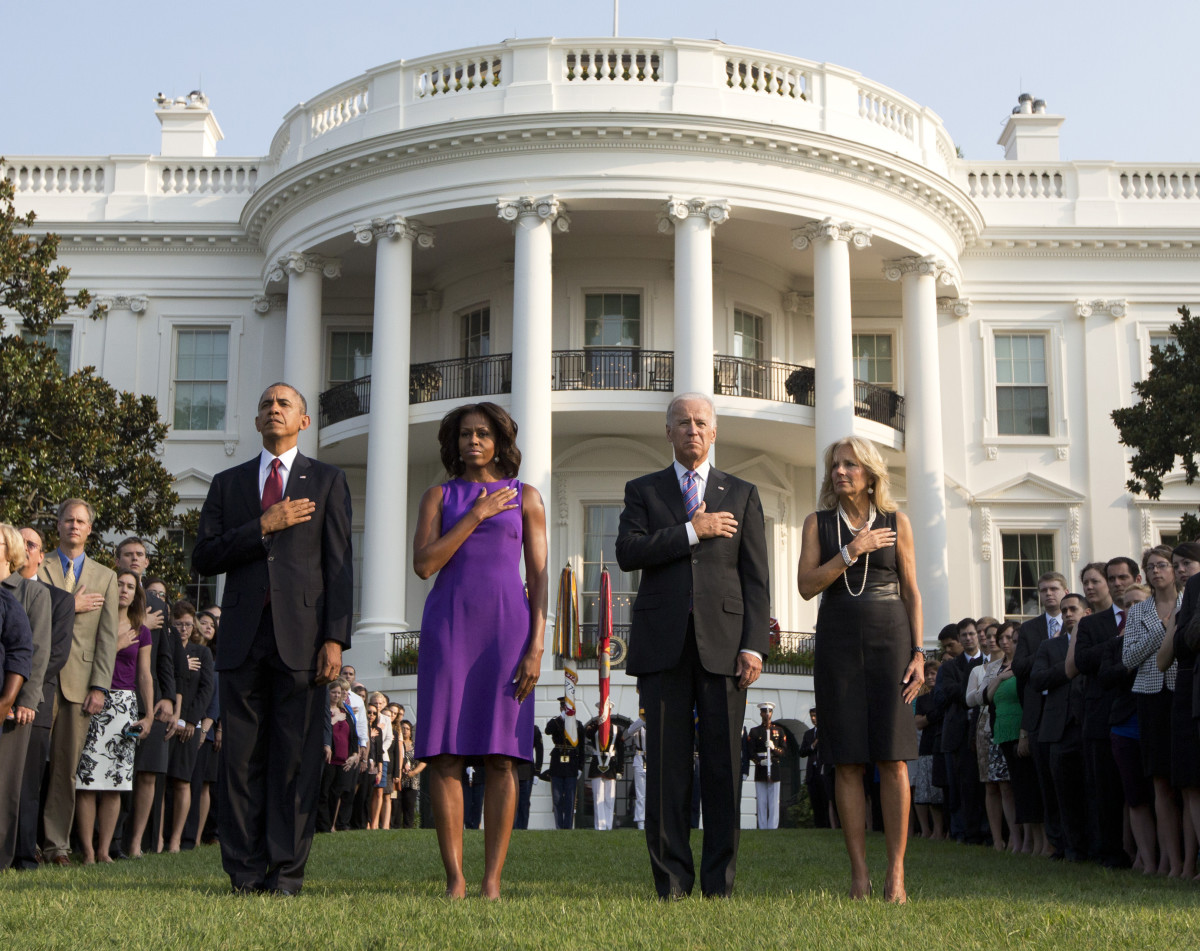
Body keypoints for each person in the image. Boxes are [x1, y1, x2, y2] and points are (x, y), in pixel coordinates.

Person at [192, 382, 353, 895]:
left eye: (284, 404)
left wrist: (335, 639)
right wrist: (262, 524)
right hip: (241, 639)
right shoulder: (228, 483)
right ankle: (243, 872)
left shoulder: (325, 480)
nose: (274, 409)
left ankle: (285, 873)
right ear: (257, 420)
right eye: (265, 404)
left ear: (303, 421)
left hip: (303, 643)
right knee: (238, 761)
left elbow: (339, 568)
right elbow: (204, 556)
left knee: (295, 761)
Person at [615, 393, 769, 900]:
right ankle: (673, 883)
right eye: (682, 423)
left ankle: (720, 884)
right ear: (668, 432)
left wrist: (754, 646)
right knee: (665, 770)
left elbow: (754, 580)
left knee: (724, 770)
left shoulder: (742, 494)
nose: (692, 430)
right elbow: (629, 553)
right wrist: (691, 530)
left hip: (725, 649)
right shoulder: (643, 490)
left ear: (715, 431)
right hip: (663, 647)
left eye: (701, 422)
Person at [412, 401, 547, 899]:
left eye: (484, 434)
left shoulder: (525, 496)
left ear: (499, 441)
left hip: (507, 632)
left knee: (502, 757)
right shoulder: (438, 496)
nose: (474, 441)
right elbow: (425, 565)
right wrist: (474, 515)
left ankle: (491, 881)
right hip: (449, 628)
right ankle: (455, 880)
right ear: (455, 442)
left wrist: (536, 646)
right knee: (444, 755)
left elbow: (537, 577)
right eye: (466, 434)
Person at [797, 435, 923, 903]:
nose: (840, 472)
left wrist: (919, 653)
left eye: (850, 465)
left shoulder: (897, 521)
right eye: (835, 465)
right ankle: (859, 874)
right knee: (846, 759)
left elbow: (911, 590)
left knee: (892, 758)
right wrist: (853, 550)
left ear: (871, 473)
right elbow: (807, 586)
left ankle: (896, 874)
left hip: (891, 639)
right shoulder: (818, 523)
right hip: (838, 642)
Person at [38, 498, 120, 866]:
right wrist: (71, 603)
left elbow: (107, 638)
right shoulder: (39, 566)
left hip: (80, 685)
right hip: (37, 680)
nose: (74, 525)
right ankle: (22, 840)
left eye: (80, 521)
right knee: (27, 764)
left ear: (89, 530)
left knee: (64, 770)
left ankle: (56, 846)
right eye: (68, 519)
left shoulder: (106, 576)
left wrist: (100, 687)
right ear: (57, 525)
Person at [73, 570, 154, 864]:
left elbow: (145, 675)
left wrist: (149, 715)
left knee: (115, 782)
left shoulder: (141, 629)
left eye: (130, 586)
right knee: (87, 779)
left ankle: (105, 850)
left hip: (124, 706)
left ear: (136, 594)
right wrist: (114, 646)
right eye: (119, 584)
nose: (123, 590)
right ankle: (88, 852)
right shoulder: (95, 620)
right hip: (93, 698)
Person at [11, 528, 73, 871]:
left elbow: (55, 656)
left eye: (30, 544)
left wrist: (18, 691)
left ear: (40, 555)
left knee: (27, 784)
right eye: (17, 542)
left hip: (34, 702)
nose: (24, 548)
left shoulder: (59, 600)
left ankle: (23, 855)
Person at [1121, 546, 1182, 877]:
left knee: (1186, 782)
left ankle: (1187, 862)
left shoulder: (1191, 603)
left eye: (1163, 565)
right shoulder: (1139, 612)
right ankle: (1169, 863)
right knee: (1159, 781)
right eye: (1151, 567)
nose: (1157, 571)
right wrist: (1163, 630)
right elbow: (1128, 659)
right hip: (1150, 697)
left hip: (1183, 695)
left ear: (1174, 570)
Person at [1030, 592, 1090, 862]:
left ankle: (1096, 846)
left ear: (1085, 612)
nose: (1067, 614)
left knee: (1092, 788)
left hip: (1088, 723)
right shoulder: (1048, 647)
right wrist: (1067, 670)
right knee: (1062, 792)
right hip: (1057, 728)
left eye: (1072, 609)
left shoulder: (1095, 640)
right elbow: (1038, 679)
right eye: (1064, 610)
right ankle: (1069, 848)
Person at [164, 602, 213, 854]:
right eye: (178, 624)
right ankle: (158, 839)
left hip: (189, 727)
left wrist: (192, 720)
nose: (183, 629)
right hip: (166, 721)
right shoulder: (168, 647)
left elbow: (206, 690)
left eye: (187, 624)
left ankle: (176, 840)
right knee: (161, 781)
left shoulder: (202, 653)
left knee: (182, 781)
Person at [318, 679, 359, 833]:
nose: (336, 695)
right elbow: (323, 729)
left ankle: (331, 825)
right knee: (324, 792)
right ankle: (323, 825)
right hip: (329, 759)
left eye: (339, 693)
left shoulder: (346, 712)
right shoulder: (324, 711)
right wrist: (335, 719)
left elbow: (353, 736)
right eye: (333, 692)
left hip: (344, 760)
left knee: (337, 793)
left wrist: (354, 754)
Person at [748, 701, 788, 829]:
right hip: (761, 767)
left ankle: (772, 827)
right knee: (761, 801)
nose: (767, 714)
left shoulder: (779, 731)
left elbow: (783, 751)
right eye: (764, 711)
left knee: (774, 801)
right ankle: (763, 826)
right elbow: (750, 752)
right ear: (760, 713)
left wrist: (774, 747)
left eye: (769, 711)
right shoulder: (754, 731)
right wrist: (759, 762)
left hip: (774, 766)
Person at [544, 698, 583, 829]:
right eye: (563, 708)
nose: (565, 710)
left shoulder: (577, 724)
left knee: (570, 799)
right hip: (557, 764)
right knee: (557, 798)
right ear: (561, 708)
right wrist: (561, 718)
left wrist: (580, 767)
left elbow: (582, 748)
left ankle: (568, 826)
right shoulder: (556, 722)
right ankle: (559, 826)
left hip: (571, 763)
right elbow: (548, 730)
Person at [584, 707, 624, 830]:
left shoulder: (617, 729)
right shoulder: (594, 727)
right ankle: (599, 826)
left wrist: (620, 769)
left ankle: (608, 825)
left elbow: (621, 751)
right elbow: (588, 734)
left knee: (609, 798)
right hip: (597, 764)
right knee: (598, 797)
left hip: (610, 765)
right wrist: (597, 724)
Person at [397, 719, 424, 829]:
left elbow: (423, 762)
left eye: (407, 729)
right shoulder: (397, 743)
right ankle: (396, 826)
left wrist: (414, 772)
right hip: (399, 779)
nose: (405, 731)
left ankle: (408, 827)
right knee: (397, 805)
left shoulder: (415, 745)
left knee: (409, 805)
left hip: (412, 780)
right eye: (402, 728)